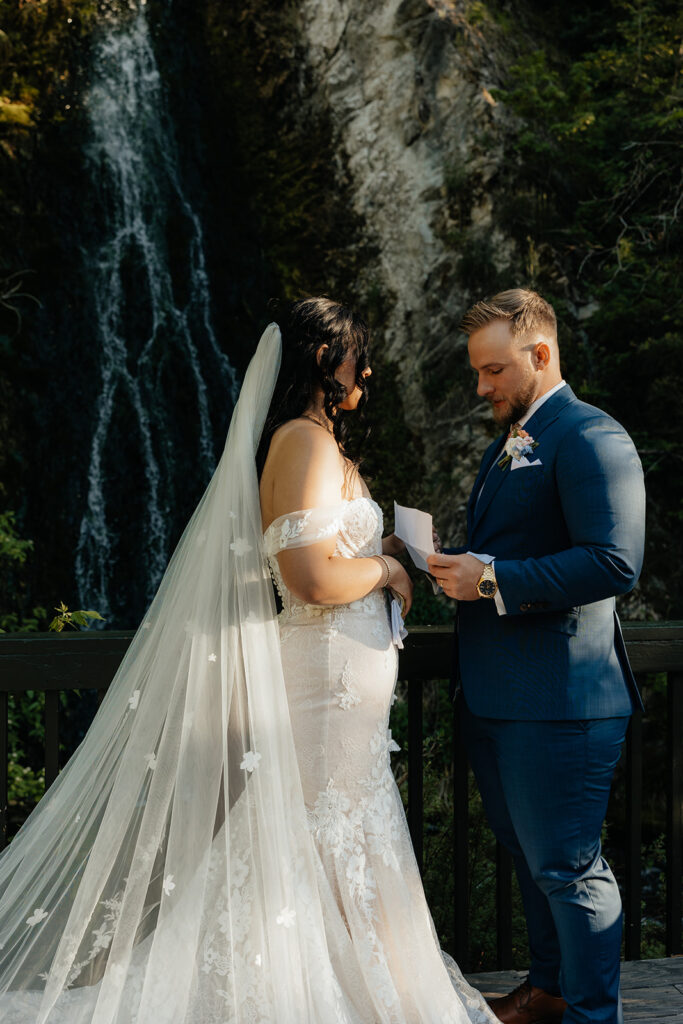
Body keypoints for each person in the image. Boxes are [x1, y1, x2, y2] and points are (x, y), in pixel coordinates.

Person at [0, 297, 496, 1023]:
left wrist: (385, 550)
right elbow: (309, 579)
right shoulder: (302, 442)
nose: (369, 368)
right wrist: (387, 575)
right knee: (317, 833)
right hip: (322, 693)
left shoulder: (312, 444)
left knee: (330, 840)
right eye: (359, 353)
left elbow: (325, 555)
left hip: (339, 700)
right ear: (327, 360)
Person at [427, 289, 646, 1024]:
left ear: (539, 354)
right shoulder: (511, 440)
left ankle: (591, 1015)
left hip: (562, 702)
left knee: (569, 870)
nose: (481, 387)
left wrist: (490, 578)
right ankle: (549, 992)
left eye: (492, 371)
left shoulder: (590, 437)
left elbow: (614, 562)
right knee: (530, 861)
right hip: (501, 698)